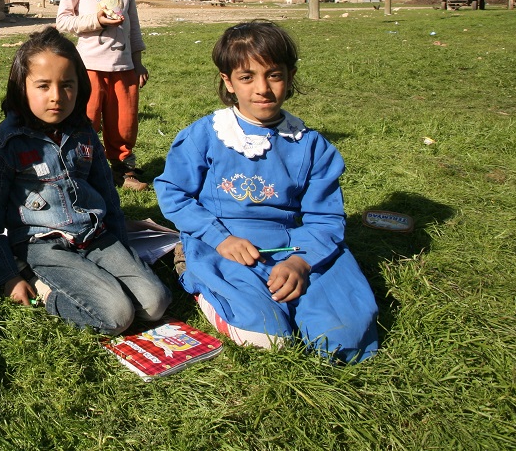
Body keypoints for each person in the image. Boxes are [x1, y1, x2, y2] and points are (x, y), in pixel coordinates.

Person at [153, 21, 379, 363]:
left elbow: (325, 218)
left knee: (343, 337)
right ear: (228, 81)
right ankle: (201, 280)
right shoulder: (205, 135)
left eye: (273, 75)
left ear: (290, 76)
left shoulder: (312, 146)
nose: (263, 89)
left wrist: (302, 262)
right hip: (226, 245)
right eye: (247, 77)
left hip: (297, 244)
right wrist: (219, 238)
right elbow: (173, 193)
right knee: (266, 336)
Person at [0, 26, 171, 335]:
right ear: (21, 88)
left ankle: (99, 277)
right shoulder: (6, 147)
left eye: (67, 85)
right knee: (118, 315)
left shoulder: (84, 133)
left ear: (80, 87)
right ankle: (46, 289)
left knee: (155, 303)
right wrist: (8, 276)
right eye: (43, 86)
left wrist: (121, 248)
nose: (56, 97)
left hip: (96, 236)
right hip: (43, 245)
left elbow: (108, 195)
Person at [55, 0, 150, 190]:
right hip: (89, 68)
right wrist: (95, 20)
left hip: (124, 68)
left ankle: (123, 170)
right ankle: (79, 169)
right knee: (86, 121)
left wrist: (138, 61)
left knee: (125, 122)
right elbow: (63, 21)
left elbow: (133, 26)